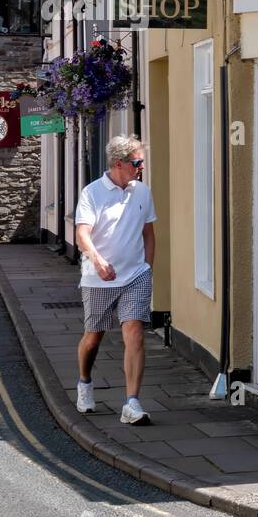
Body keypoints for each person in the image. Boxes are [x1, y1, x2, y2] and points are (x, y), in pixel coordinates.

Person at [74, 135, 157, 425]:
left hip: (135, 275)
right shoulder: (92, 193)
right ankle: (84, 382)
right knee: (93, 338)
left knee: (134, 331)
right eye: (137, 161)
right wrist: (97, 261)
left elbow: (148, 233)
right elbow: (82, 233)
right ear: (119, 163)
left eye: (142, 161)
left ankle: (132, 403)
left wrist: (147, 267)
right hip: (98, 279)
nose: (141, 166)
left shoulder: (143, 192)